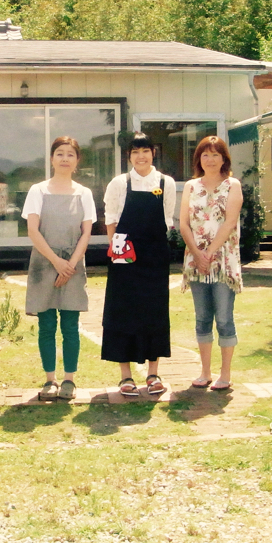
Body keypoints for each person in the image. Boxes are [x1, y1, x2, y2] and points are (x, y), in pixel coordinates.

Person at [101, 132, 177, 397]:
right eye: (135, 152)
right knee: (122, 311)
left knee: (154, 312)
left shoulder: (166, 183)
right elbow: (111, 220)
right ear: (129, 156)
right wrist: (119, 253)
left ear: (153, 153)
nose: (140, 156)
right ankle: (126, 376)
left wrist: (154, 251)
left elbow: (167, 220)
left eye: (145, 150)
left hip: (155, 257)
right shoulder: (119, 183)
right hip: (124, 256)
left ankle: (153, 374)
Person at [22, 136, 96, 401]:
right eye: (60, 153)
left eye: (70, 154)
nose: (65, 158)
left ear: (77, 161)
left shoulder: (84, 193)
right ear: (52, 158)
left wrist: (70, 265)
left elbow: (86, 232)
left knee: (70, 326)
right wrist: (56, 261)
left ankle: (69, 380)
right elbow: (33, 230)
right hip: (44, 263)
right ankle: (49, 379)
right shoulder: (37, 191)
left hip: (73, 265)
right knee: (46, 325)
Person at [179, 136, 243, 391]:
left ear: (224, 158)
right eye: (205, 154)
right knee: (202, 318)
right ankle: (205, 372)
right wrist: (197, 254)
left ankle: (225, 374)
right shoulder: (191, 186)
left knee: (224, 318)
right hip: (196, 263)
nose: (210, 159)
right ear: (199, 159)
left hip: (223, 262)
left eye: (216, 154)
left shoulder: (232, 185)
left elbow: (230, 222)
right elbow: (183, 223)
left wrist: (209, 253)